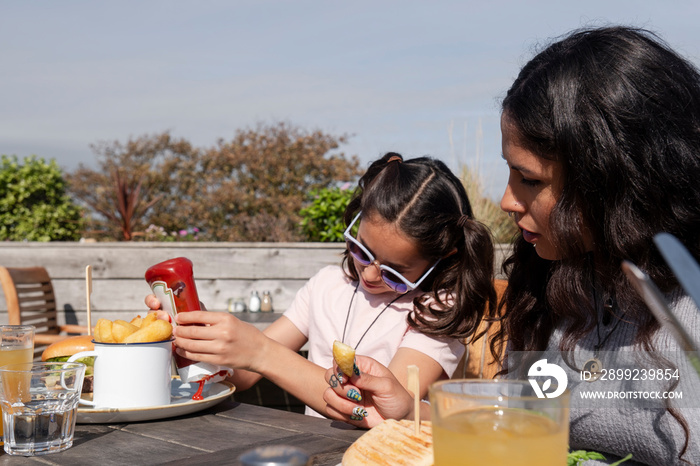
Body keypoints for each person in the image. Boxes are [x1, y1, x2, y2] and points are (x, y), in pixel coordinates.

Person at [324, 27, 700, 465]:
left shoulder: (688, 306)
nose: (505, 201)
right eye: (509, 173)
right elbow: (526, 434)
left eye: (531, 180)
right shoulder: (557, 287)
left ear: (615, 179)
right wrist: (413, 411)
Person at [146, 151, 497, 421]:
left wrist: (261, 352)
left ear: (442, 258)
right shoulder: (327, 285)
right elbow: (242, 374)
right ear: (356, 220)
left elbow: (379, 409)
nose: (371, 275)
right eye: (361, 250)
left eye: (396, 272)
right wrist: (204, 333)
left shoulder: (438, 309)